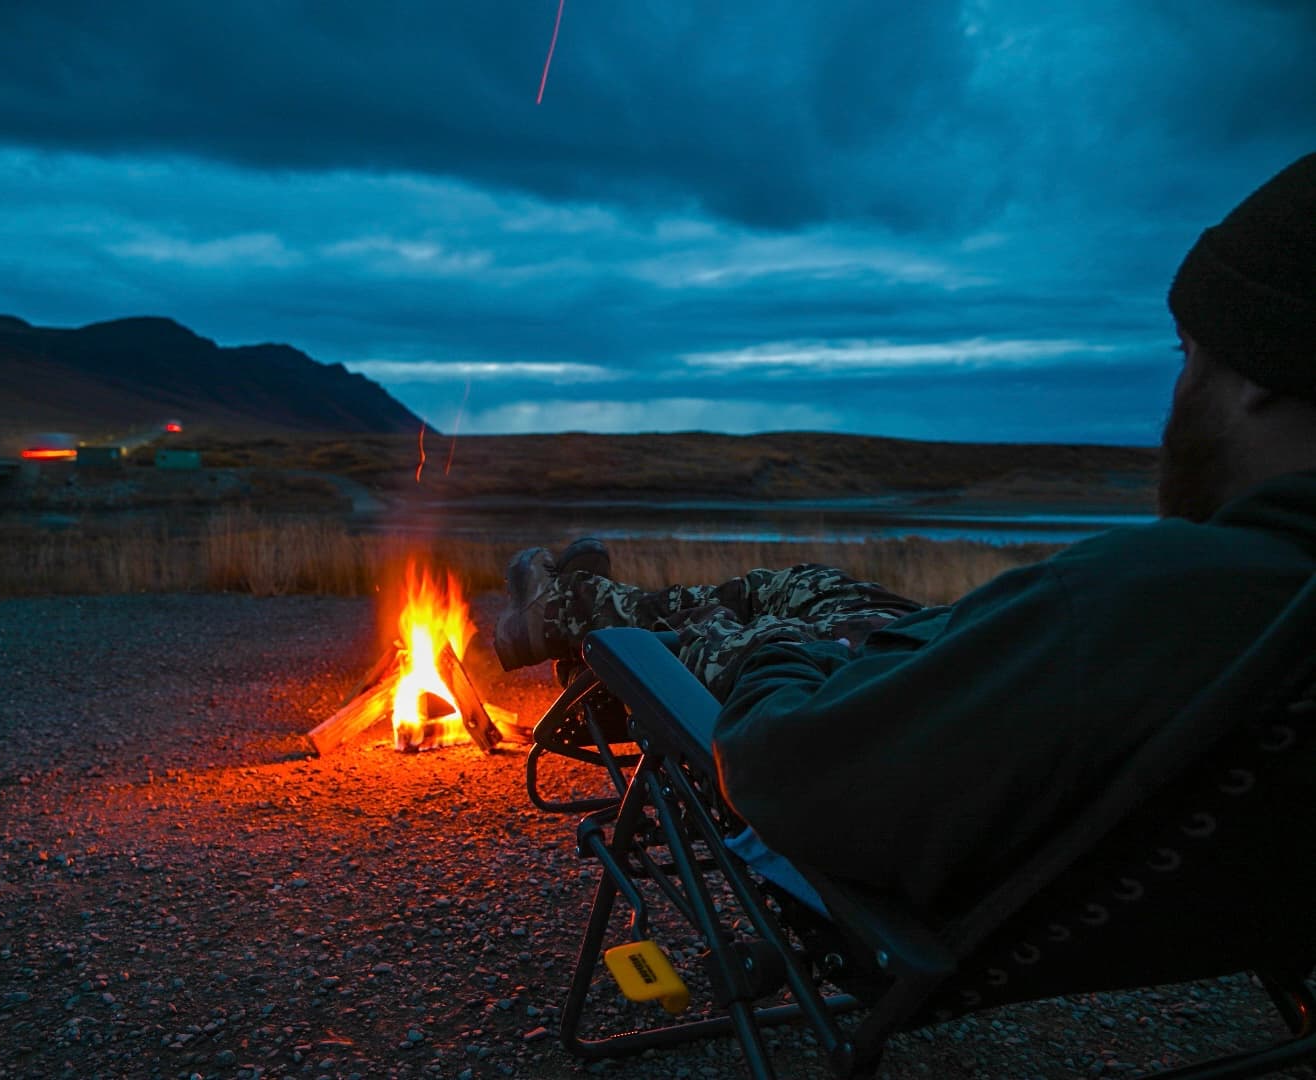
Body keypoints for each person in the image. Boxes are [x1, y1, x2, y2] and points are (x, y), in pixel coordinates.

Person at [493, 152, 1316, 917]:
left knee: (753, 624)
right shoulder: (1268, 606)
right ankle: (575, 602)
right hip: (951, 718)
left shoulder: (1147, 598)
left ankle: (576, 612)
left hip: (862, 764)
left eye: (1188, 354)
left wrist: (792, 654)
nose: (1176, 393)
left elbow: (783, 768)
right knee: (803, 584)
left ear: (1257, 372)